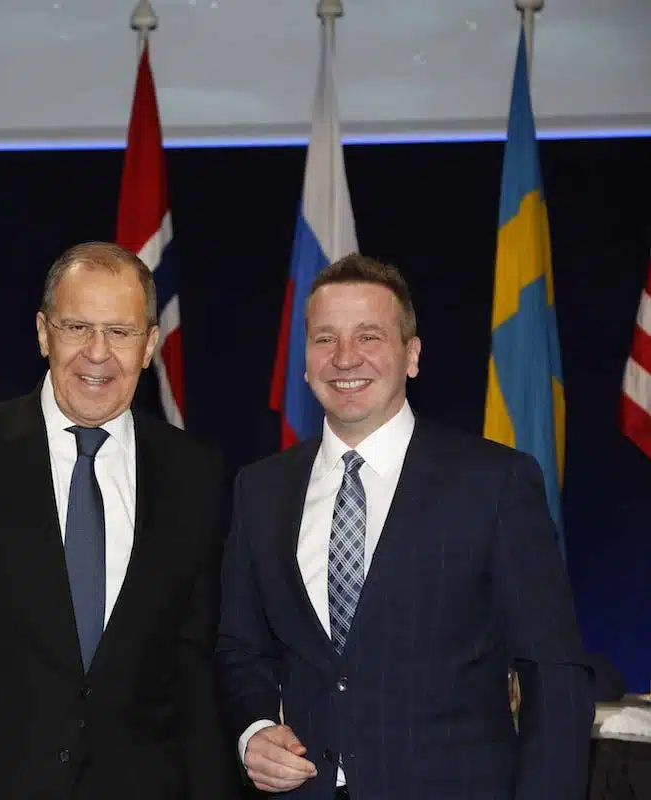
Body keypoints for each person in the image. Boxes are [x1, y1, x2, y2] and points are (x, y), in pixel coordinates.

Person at [0, 241, 241, 799]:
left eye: (120, 331)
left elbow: (194, 659)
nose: (97, 353)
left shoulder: (194, 469)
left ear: (150, 344)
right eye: (77, 327)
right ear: (43, 333)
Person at [216, 253, 594, 799]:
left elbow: (554, 672)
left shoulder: (494, 483)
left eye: (368, 336)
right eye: (325, 339)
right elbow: (240, 648)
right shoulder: (259, 489)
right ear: (305, 361)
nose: (345, 357)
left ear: (411, 355)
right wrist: (253, 731)